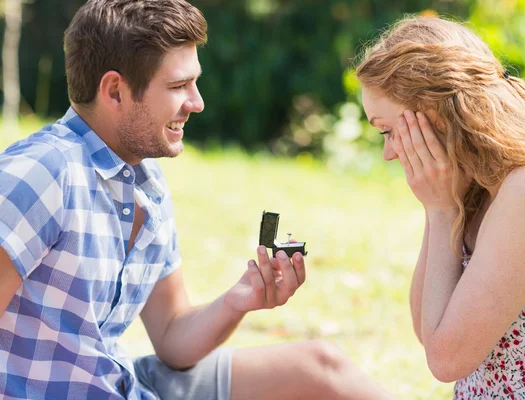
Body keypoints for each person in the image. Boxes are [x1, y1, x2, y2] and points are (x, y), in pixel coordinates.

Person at [0, 1, 396, 399]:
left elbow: (172, 336)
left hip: (126, 384)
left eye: (193, 82)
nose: (197, 102)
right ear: (115, 91)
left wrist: (239, 300)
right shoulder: (42, 173)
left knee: (320, 367)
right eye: (177, 86)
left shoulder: (145, 182)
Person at [357, 15, 525, 399]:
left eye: (388, 131)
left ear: (434, 114)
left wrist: (441, 212)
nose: (389, 152)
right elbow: (429, 329)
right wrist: (441, 206)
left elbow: (446, 359)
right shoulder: (474, 185)